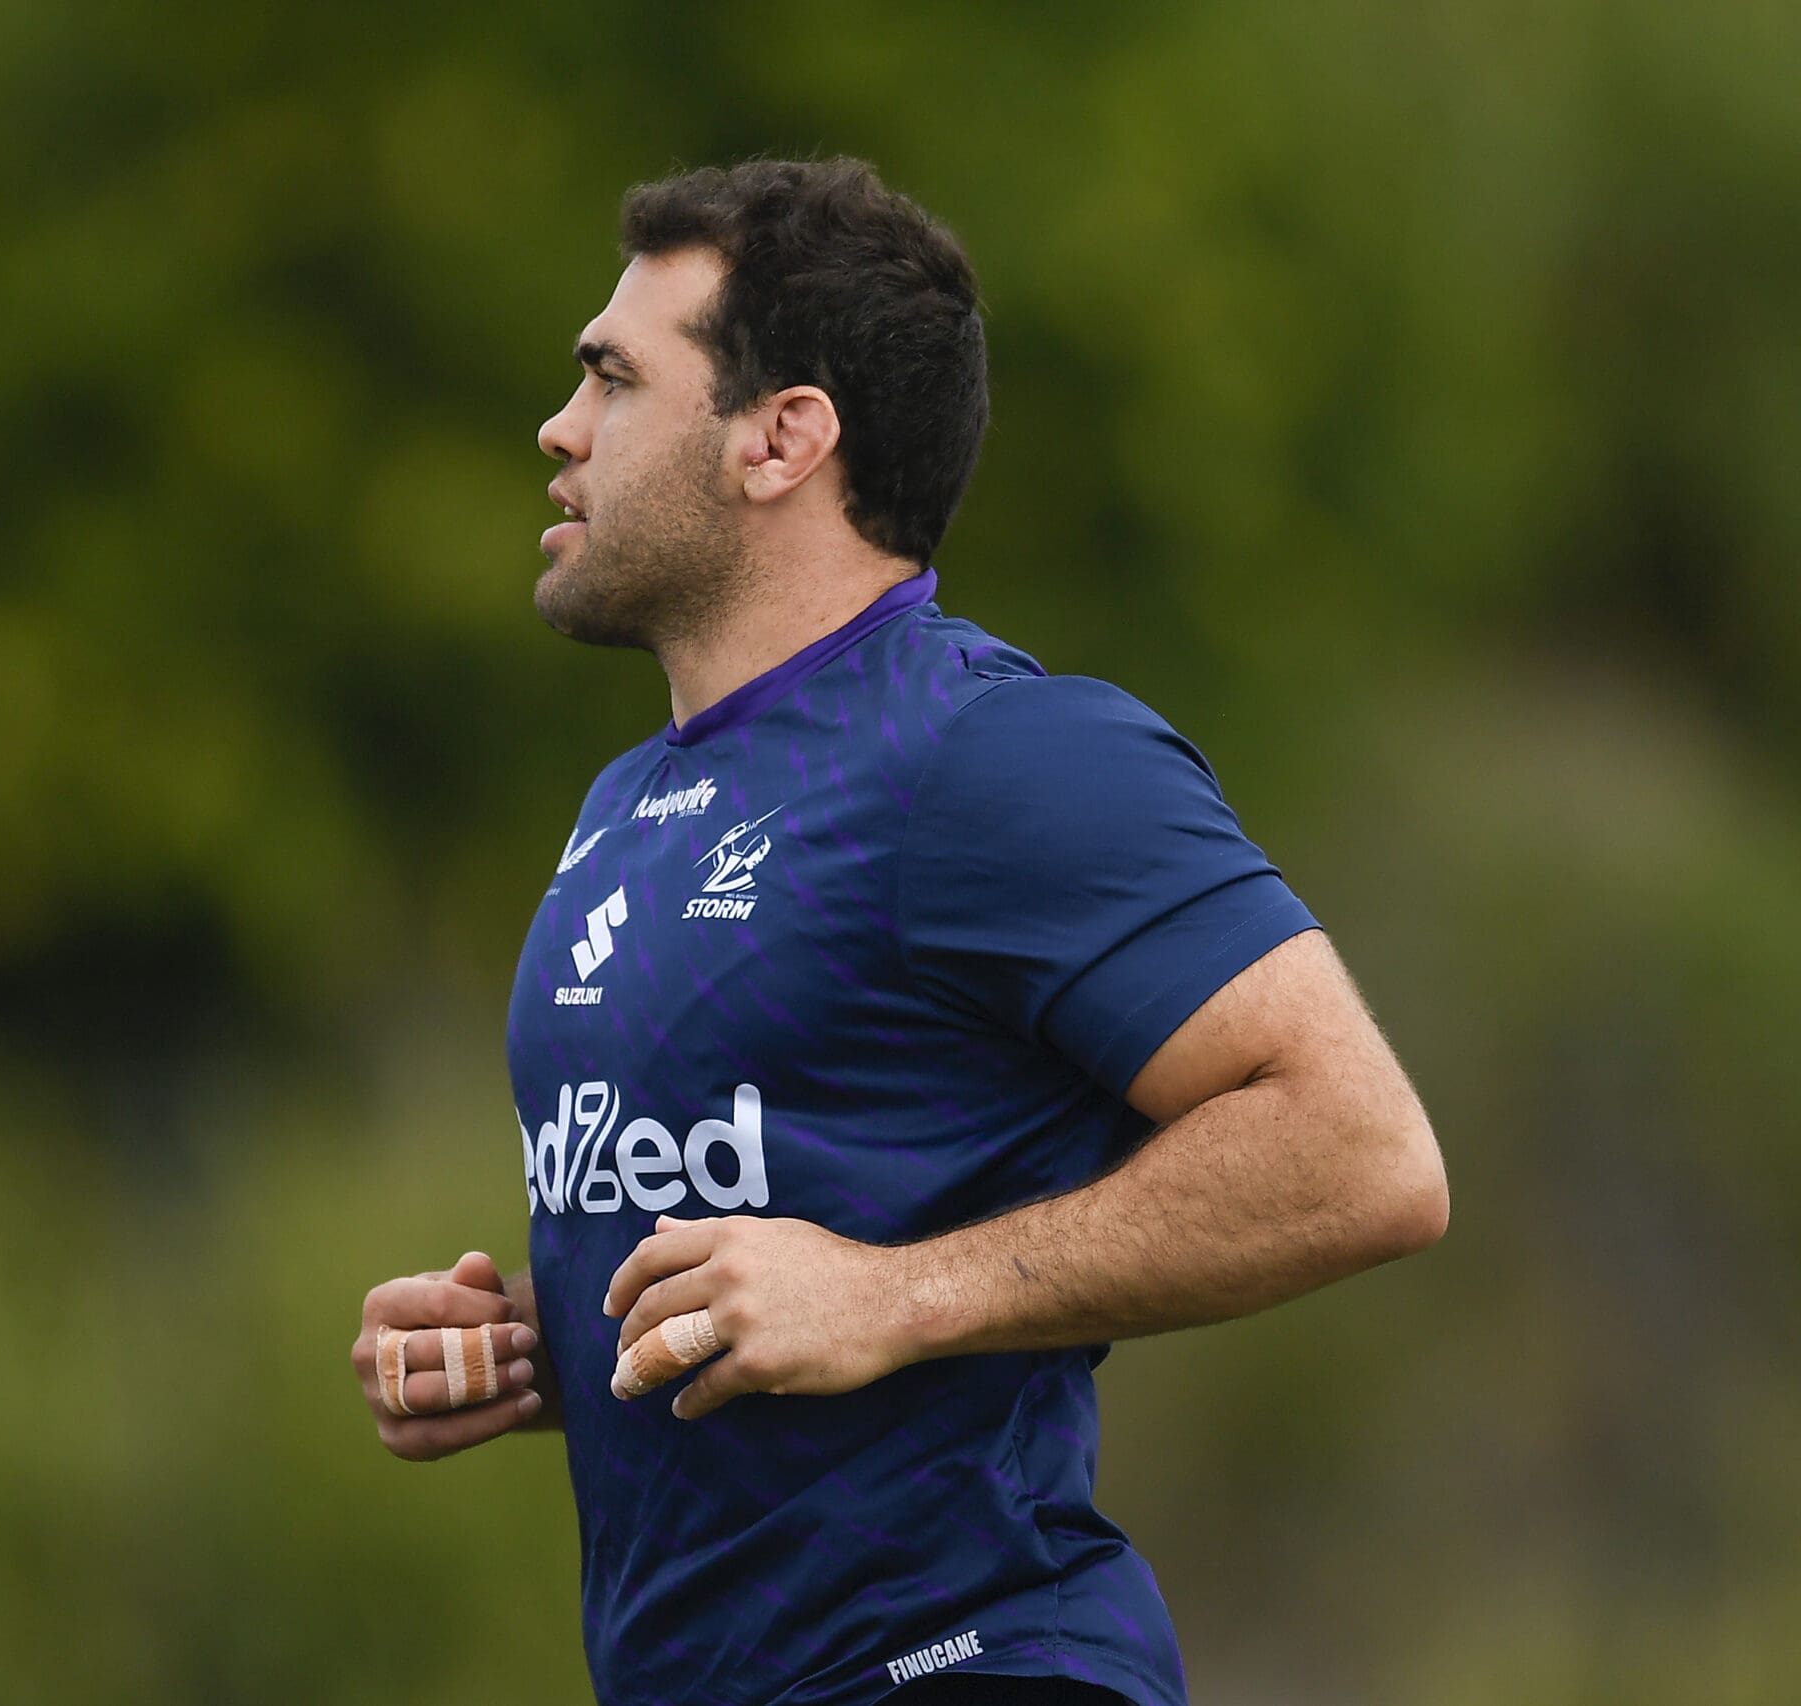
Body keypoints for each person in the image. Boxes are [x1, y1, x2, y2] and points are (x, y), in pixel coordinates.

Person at [348, 157, 1448, 1706]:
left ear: (782, 437)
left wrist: (890, 1295)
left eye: (613, 378)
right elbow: (806, 1215)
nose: (560, 425)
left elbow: (1362, 1152)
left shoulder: (991, 752)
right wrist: (562, 1345)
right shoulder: (623, 805)